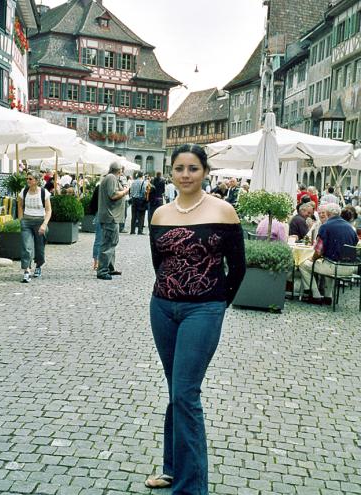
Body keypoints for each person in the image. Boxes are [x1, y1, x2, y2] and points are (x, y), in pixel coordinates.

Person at [146, 144, 246, 493]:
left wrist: (217, 303)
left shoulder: (224, 211)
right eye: (179, 168)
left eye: (192, 168)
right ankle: (173, 468)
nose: (185, 175)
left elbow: (238, 266)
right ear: (171, 172)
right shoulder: (160, 214)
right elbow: (159, 264)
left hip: (203, 310)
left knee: (186, 393)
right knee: (176, 390)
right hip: (163, 308)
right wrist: (170, 294)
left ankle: (191, 488)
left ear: (204, 172)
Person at [299, 203, 359, 305]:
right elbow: (355, 244)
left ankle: (315, 295)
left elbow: (318, 251)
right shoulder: (350, 228)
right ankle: (328, 296)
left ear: (328, 213)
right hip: (351, 268)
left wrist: (312, 259)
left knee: (303, 265)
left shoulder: (325, 226)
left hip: (334, 266)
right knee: (328, 262)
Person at [97, 162, 129, 280]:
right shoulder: (111, 178)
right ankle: (102, 271)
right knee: (109, 243)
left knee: (112, 242)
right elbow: (113, 195)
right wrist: (125, 191)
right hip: (110, 216)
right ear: (119, 170)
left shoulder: (110, 178)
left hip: (111, 216)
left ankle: (110, 268)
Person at [18, 171, 52, 283]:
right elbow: (20, 206)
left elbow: (48, 210)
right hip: (26, 221)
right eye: (27, 178)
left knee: (39, 248)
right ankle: (27, 271)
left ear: (36, 181)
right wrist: (21, 219)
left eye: (30, 179)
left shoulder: (44, 192)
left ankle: (38, 265)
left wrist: (44, 224)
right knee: (26, 246)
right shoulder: (24, 192)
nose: (28, 180)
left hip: (40, 222)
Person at [118, 166, 129, 233]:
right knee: (123, 214)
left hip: (117, 197)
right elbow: (126, 187)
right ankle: (121, 227)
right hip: (122, 198)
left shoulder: (113, 177)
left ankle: (119, 227)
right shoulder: (123, 177)